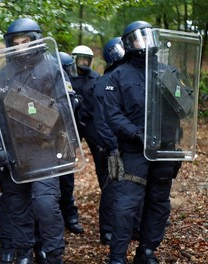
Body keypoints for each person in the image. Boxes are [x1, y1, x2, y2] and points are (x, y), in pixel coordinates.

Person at [0, 18, 74, 264]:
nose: (21, 47)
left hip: (45, 150)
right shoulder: (3, 74)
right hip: (14, 152)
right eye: (16, 42)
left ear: (36, 41)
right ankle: (24, 253)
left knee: (45, 205)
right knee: (17, 206)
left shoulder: (53, 68)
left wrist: (31, 110)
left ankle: (53, 253)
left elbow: (67, 109)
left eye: (26, 41)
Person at [103, 21, 182, 264]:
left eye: (148, 36)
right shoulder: (118, 75)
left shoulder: (167, 71)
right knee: (126, 206)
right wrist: (137, 134)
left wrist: (177, 92)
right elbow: (113, 114)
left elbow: (182, 106)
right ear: (128, 43)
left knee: (159, 204)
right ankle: (117, 256)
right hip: (135, 151)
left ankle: (147, 251)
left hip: (164, 150)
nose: (145, 41)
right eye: (139, 37)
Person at [92, 37, 126, 245]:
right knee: (111, 188)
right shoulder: (105, 82)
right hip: (113, 146)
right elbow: (101, 121)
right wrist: (113, 147)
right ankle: (107, 231)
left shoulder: (126, 76)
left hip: (128, 145)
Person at [56, 51, 85, 235]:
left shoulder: (69, 86)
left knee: (67, 181)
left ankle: (70, 216)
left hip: (65, 140)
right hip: (48, 141)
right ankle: (57, 218)